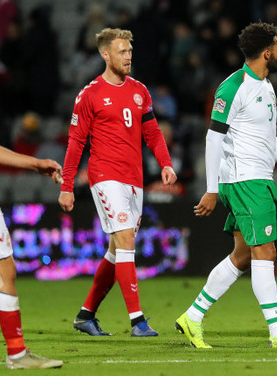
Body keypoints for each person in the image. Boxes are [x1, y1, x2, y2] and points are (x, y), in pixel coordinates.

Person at [174, 22, 277, 349]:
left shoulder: (265, 86)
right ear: (266, 52)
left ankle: (192, 317)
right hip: (245, 180)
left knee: (241, 256)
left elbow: (269, 139)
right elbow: (213, 138)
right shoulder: (233, 87)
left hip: (257, 177)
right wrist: (212, 189)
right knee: (266, 251)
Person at [59, 28, 177, 337]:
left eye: (129, 51)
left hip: (134, 180)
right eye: (122, 51)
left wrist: (165, 163)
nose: (128, 56)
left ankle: (86, 315)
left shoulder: (139, 90)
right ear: (105, 55)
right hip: (105, 176)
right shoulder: (90, 94)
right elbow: (75, 143)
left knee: (115, 251)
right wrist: (67, 186)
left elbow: (151, 132)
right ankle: (137, 321)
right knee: (126, 239)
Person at [0, 19, 63, 369]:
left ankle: (18, 354)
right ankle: (17, 355)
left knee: (3, 268)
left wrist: (33, 163)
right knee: (4, 267)